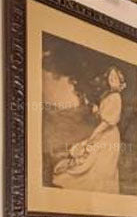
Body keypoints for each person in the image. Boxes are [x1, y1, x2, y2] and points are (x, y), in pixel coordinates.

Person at [51, 66, 125, 194]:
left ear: (120, 81)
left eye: (115, 77)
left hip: (108, 135)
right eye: (110, 77)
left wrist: (94, 135)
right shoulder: (109, 96)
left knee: (102, 165)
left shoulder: (116, 97)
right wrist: (97, 111)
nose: (112, 79)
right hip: (104, 133)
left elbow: (107, 122)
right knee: (93, 162)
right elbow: (104, 116)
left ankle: (102, 196)